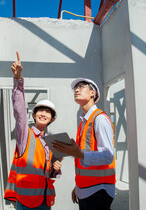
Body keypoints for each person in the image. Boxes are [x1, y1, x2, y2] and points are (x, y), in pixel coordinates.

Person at [4, 51, 62, 210]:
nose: (44, 114)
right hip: (27, 202)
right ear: (34, 115)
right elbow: (20, 111)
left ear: (52, 118)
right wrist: (18, 80)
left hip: (46, 199)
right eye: (40, 110)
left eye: (48, 112)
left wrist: (55, 170)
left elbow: (48, 172)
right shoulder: (25, 134)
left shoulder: (52, 142)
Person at [53, 78, 116, 210]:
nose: (76, 90)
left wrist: (79, 154)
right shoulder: (84, 121)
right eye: (75, 88)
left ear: (92, 93)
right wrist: (79, 186)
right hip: (87, 190)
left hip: (99, 191)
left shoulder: (100, 119)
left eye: (81, 87)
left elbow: (108, 156)